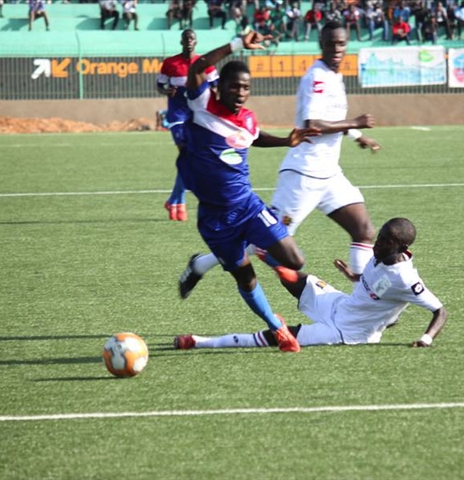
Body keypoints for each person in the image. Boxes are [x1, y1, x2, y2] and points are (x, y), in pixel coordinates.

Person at [177, 21, 380, 301]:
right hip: (303, 174)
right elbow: (312, 122)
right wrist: (354, 122)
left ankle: (364, 299)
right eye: (331, 43)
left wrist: (355, 133)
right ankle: (200, 264)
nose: (336, 49)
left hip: (330, 173)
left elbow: (330, 115)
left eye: (341, 43)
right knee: (265, 246)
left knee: (364, 229)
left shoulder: (336, 76)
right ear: (321, 43)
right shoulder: (316, 76)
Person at [177, 30, 321, 353]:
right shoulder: (202, 103)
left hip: (248, 206)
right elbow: (197, 66)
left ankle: (216, 258)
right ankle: (277, 327)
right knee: (246, 278)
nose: (240, 92)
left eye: (246, 87)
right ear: (219, 87)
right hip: (215, 219)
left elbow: (253, 137)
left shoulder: (248, 120)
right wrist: (238, 44)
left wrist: (286, 140)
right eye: (234, 86)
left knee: (295, 260)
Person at [174, 217, 448, 350]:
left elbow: (440, 311)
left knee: (278, 335)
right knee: (293, 274)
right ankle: (258, 251)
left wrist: (426, 339)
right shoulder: (380, 256)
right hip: (339, 303)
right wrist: (354, 277)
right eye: (381, 236)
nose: (378, 243)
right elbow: (375, 286)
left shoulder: (406, 278)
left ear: (402, 246)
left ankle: (199, 342)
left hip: (346, 331)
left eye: (386, 241)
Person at [157, 29, 219, 222]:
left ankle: (174, 200)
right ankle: (179, 201)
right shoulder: (170, 63)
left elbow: (216, 87)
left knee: (191, 158)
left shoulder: (205, 64)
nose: (189, 42)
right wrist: (166, 90)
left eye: (192, 39)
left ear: (196, 42)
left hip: (197, 118)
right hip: (177, 116)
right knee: (188, 155)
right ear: (181, 41)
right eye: (186, 39)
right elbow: (160, 85)